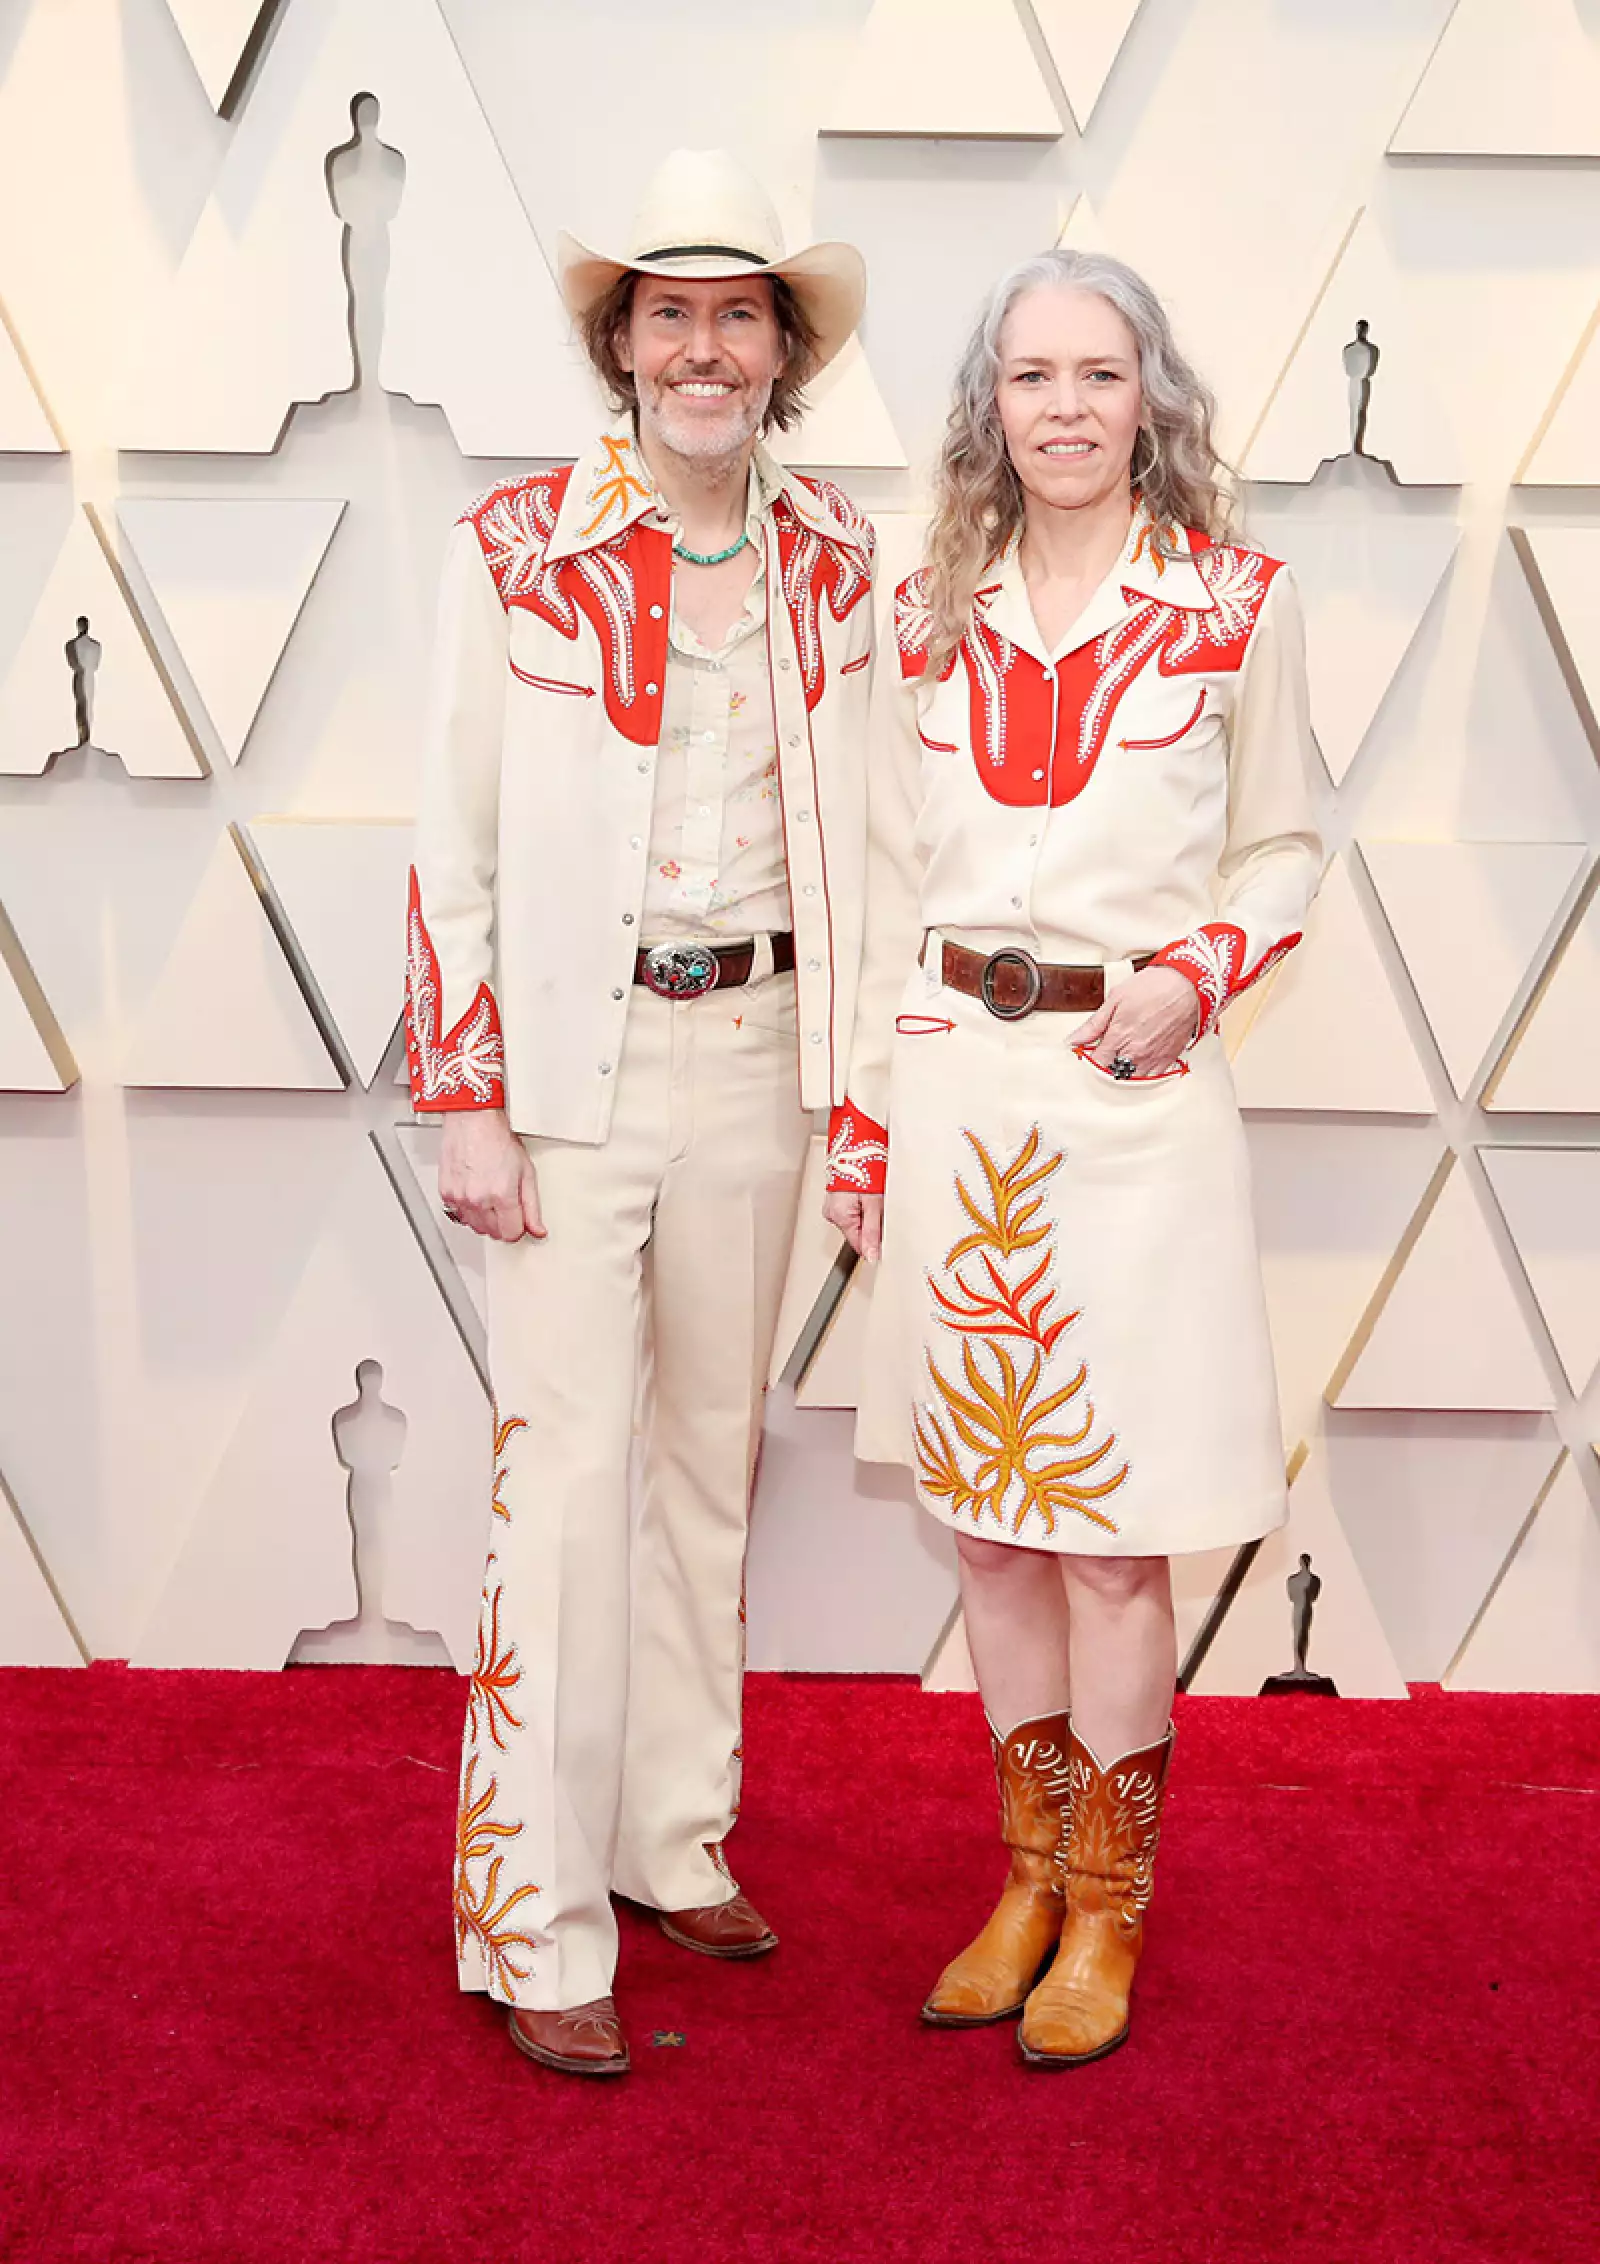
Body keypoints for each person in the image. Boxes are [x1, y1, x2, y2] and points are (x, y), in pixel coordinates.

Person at [406, 148, 875, 2078]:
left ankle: (674, 1835)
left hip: (757, 1054)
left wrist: (864, 1094)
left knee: (708, 1467)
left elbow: (885, 835)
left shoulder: (838, 553)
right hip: (566, 1085)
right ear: (620, 344)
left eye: (737, 316)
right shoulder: (515, 546)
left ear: (783, 351)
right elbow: (453, 841)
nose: (702, 350)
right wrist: (467, 1097)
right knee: (562, 1488)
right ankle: (534, 1921)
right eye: (668, 314)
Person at [823, 248, 1321, 2067]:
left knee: (1113, 1543)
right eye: (1031, 376)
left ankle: (1109, 1908)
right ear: (991, 406)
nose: (1065, 408)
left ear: (1149, 397)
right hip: (959, 1092)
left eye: (1098, 374)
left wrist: (1202, 973)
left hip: (1138, 1105)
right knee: (986, 1527)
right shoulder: (924, 614)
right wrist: (864, 1121)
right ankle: (1025, 1878)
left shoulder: (1236, 604)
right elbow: (883, 883)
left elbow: (1284, 850)